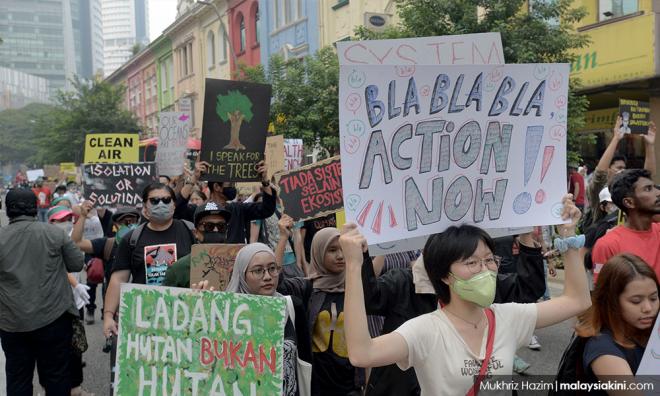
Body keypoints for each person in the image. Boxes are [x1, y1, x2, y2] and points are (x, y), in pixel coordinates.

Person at [342, 195, 591, 395]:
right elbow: (362, 353)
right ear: (445, 275)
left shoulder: (508, 317)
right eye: (471, 263)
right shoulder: (425, 330)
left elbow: (577, 300)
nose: (485, 270)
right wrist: (354, 265)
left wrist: (568, 235)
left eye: (489, 260)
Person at [359, 230, 547, 395]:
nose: (481, 268)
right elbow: (369, 300)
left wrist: (526, 235)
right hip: (401, 386)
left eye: (487, 259)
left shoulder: (482, 284)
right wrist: (358, 258)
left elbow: (529, 288)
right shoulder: (403, 283)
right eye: (470, 261)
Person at [0, 189, 84, 395]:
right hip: (53, 318)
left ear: (7, 210)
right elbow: (77, 263)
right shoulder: (54, 233)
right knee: (56, 375)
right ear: (36, 208)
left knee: (18, 377)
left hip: (12, 322)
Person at [103, 182, 196, 339]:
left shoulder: (190, 231)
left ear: (174, 206)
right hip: (145, 319)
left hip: (186, 315)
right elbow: (119, 278)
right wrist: (108, 316)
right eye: (154, 200)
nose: (161, 204)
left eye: (166, 200)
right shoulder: (131, 239)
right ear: (145, 209)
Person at [277, 226, 362, 396]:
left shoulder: (357, 287)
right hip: (315, 383)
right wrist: (283, 239)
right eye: (332, 250)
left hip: (350, 384)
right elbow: (275, 282)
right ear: (318, 252)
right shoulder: (307, 287)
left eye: (343, 250)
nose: (340, 256)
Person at [226, 243, 306, 396]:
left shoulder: (291, 306)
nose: (268, 276)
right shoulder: (228, 314)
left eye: (272, 268)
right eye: (258, 271)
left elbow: (305, 359)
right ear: (242, 276)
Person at [576, 254, 658, 393]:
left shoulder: (649, 332)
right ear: (612, 302)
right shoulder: (603, 350)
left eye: (654, 298)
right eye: (636, 301)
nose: (648, 308)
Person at [175, 160, 277, 243]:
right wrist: (194, 178)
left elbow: (267, 209)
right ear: (217, 187)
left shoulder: (238, 209)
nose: (233, 188)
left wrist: (265, 180)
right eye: (230, 185)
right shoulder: (199, 210)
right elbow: (177, 209)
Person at [583, 117, 655, 229]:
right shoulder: (599, 190)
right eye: (618, 167)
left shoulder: (628, 190)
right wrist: (616, 138)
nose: (622, 170)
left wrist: (649, 145)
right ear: (608, 169)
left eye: (624, 168)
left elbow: (647, 177)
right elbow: (599, 173)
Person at [592, 169, 660, 282]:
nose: (658, 193)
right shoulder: (607, 245)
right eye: (648, 189)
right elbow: (603, 295)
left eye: (654, 187)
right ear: (629, 202)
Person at [163, 201, 232, 288]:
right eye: (209, 226)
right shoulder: (178, 269)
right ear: (195, 233)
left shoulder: (238, 265)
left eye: (221, 226)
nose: (215, 230)